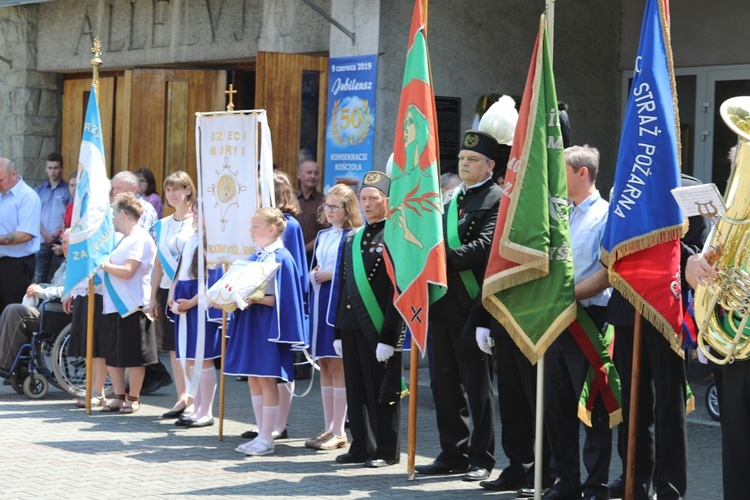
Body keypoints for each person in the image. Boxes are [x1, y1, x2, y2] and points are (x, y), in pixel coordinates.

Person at [607, 172, 710, 499]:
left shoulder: (691, 189)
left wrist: (657, 241)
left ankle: (669, 488)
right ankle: (634, 479)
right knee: (633, 403)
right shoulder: (631, 182)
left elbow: (696, 252)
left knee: (669, 404)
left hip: (667, 309)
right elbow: (611, 242)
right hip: (628, 308)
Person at [415, 130, 501, 481]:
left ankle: (481, 456)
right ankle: (453, 452)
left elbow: (485, 246)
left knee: (476, 386)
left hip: (475, 306)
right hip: (443, 304)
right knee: (444, 385)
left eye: (473, 160)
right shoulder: (450, 201)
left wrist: (438, 261)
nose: (465, 164)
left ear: (490, 165)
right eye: (463, 159)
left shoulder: (497, 199)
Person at [534, 145, 613, 500]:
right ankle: (565, 482)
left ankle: (594, 485)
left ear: (583, 173)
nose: (555, 180)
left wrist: (567, 297)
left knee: (593, 408)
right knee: (556, 405)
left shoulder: (606, 216)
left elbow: (607, 274)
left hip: (588, 319)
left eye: (561, 171)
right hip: (555, 320)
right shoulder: (559, 214)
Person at [333, 171, 405, 468]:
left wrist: (390, 336)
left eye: (373, 199)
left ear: (386, 201)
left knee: (383, 391)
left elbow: (396, 291)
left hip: (379, 328)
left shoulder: (397, 238)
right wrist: (337, 331)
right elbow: (343, 285)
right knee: (356, 388)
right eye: (363, 199)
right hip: (352, 326)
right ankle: (361, 445)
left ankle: (386, 450)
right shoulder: (353, 237)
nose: (367, 204)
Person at [225, 207, 307, 456]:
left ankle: (267, 437)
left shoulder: (282, 257)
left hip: (269, 327)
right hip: (252, 323)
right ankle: (261, 433)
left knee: (267, 378)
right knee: (254, 377)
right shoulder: (256, 257)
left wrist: (254, 298)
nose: (250, 232)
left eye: (255, 227)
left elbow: (284, 300)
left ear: (272, 229)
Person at [304, 183, 363, 451]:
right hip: (321, 300)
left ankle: (340, 430)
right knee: (325, 364)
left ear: (347, 209)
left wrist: (330, 275)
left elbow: (355, 272)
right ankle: (329, 426)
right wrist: (315, 274)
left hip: (339, 303)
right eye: (326, 206)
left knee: (338, 365)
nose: (328, 210)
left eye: (334, 206)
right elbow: (318, 263)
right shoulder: (325, 235)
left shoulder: (354, 235)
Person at [110, 170, 171, 393]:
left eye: (118, 188)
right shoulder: (120, 219)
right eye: (113, 188)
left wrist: (104, 263)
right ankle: (127, 390)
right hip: (121, 292)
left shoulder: (141, 212)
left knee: (137, 348)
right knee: (121, 348)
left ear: (133, 189)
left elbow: (135, 254)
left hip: (136, 290)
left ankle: (140, 388)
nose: (113, 192)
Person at [98, 192, 158, 414]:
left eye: (113, 213)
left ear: (122, 214)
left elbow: (128, 271)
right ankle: (118, 396)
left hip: (132, 305)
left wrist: (102, 265)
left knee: (134, 356)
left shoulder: (140, 238)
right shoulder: (120, 238)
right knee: (113, 354)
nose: (111, 218)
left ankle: (133, 397)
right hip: (114, 304)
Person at [168, 201, 221, 428]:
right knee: (190, 357)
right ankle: (195, 406)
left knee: (203, 357)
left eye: (203, 211)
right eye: (196, 211)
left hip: (200, 303)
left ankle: (205, 410)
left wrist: (191, 302)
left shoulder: (214, 245)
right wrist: (171, 297)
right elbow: (179, 273)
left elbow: (211, 282)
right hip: (184, 300)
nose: (198, 215)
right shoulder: (190, 240)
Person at [148, 171, 196, 419]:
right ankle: (182, 396)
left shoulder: (197, 221)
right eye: (168, 190)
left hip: (189, 289)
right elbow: (158, 262)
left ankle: (196, 399)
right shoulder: (163, 224)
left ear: (189, 190)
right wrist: (152, 295)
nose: (172, 194)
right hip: (168, 289)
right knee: (173, 347)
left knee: (191, 345)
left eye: (177, 188)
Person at [0, 229, 68, 373]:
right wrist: (40, 287)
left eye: (68, 243)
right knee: (9, 310)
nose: (64, 246)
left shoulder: (78, 267)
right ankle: (10, 362)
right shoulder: (66, 263)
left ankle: (5, 364)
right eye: (64, 242)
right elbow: (56, 286)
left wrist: (42, 291)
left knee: (15, 311)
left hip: (60, 313)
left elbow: (68, 291)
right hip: (50, 310)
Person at [0, 158, 42, 317]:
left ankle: (10, 343)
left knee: (11, 313)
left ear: (14, 174)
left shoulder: (28, 197)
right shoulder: (2, 194)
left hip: (16, 265)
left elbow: (25, 234)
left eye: (1, 180)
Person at [33, 153, 70, 283]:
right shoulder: (39, 190)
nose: (53, 171)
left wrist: (55, 234)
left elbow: (69, 215)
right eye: (50, 168)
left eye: (56, 168)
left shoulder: (67, 190)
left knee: (60, 276)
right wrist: (45, 233)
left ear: (62, 168)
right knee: (38, 276)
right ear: (46, 168)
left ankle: (54, 302)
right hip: (42, 240)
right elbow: (34, 214)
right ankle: (36, 303)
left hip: (60, 241)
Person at [295, 159, 326, 264]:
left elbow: (325, 233)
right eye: (309, 172)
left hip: (313, 259)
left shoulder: (325, 201)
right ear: (299, 175)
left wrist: (302, 250)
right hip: (290, 255)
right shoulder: (290, 200)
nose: (313, 176)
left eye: (316, 173)